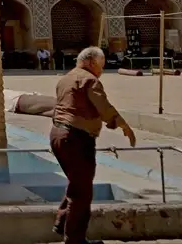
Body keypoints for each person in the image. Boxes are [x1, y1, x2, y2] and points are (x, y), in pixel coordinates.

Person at [50, 46, 137, 244]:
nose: (102, 71)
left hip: (57, 135)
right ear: (91, 62)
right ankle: (75, 240)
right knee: (82, 192)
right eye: (101, 66)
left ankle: (63, 222)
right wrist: (122, 124)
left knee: (77, 183)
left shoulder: (65, 78)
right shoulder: (89, 80)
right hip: (76, 138)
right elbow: (103, 106)